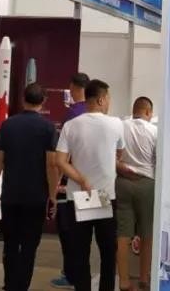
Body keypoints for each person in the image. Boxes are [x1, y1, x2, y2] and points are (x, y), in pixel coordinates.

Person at [55, 80, 126, 291]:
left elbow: (60, 161)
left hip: (79, 195)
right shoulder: (116, 124)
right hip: (105, 194)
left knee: (80, 252)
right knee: (107, 252)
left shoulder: (71, 125)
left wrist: (82, 180)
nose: (109, 103)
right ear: (101, 99)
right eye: (109, 99)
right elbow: (120, 153)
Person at [0, 83, 60, 291]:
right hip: (36, 197)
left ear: (23, 99)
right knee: (29, 246)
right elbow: (51, 164)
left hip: (11, 194)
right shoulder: (48, 128)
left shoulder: (8, 125)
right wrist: (53, 195)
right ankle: (21, 286)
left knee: (10, 243)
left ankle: (9, 285)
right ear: (43, 101)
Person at [53, 73, 91, 289]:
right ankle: (83, 279)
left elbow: (62, 157)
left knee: (69, 232)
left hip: (72, 184)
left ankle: (71, 276)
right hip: (96, 185)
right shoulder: (101, 116)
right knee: (90, 236)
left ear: (74, 88)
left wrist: (56, 185)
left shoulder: (71, 116)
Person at [116, 98, 157, 291]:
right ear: (148, 112)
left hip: (123, 182)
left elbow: (112, 154)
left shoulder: (121, 126)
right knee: (147, 233)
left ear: (134, 110)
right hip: (147, 183)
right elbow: (158, 160)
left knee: (123, 234)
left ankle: (124, 281)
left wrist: (120, 167)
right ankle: (144, 278)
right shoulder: (154, 131)